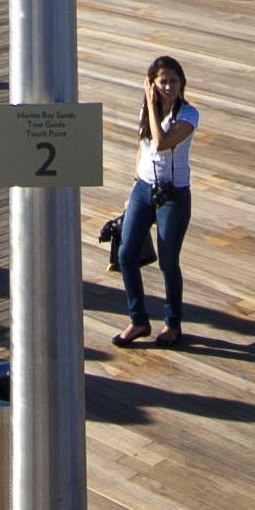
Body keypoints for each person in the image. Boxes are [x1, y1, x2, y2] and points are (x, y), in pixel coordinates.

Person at [111, 54, 197, 346]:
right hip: (144, 189)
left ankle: (173, 322)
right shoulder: (145, 112)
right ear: (153, 82)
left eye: (174, 80)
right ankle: (138, 320)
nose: (170, 86)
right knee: (125, 254)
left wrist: (150, 101)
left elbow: (161, 144)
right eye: (164, 81)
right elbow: (143, 148)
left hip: (173, 195)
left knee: (168, 260)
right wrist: (133, 187)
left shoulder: (188, 115)